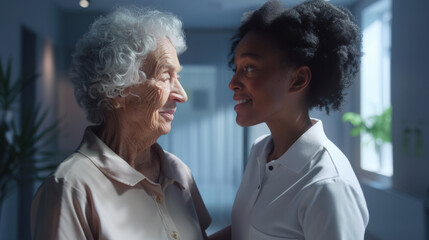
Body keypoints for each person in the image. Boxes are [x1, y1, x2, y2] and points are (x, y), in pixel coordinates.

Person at [31, 7, 211, 240]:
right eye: (165, 77)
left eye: (177, 77)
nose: (182, 95)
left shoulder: (179, 173)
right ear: (116, 90)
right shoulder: (71, 187)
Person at [226, 0, 369, 239]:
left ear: (298, 79)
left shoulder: (327, 185)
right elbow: (248, 230)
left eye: (249, 68)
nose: (233, 83)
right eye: (236, 68)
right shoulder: (260, 150)